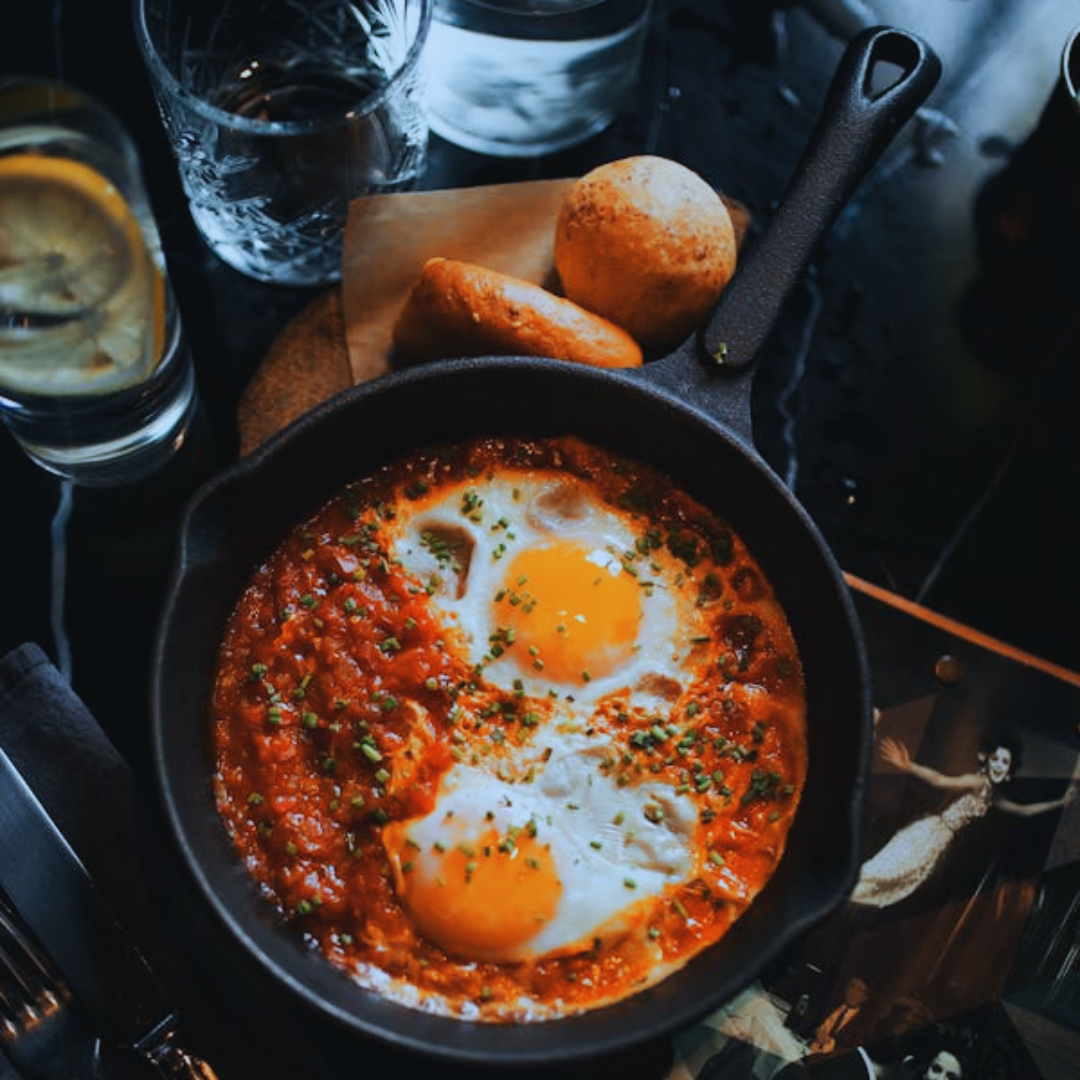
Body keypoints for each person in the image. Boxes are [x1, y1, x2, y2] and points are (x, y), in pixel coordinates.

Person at [850, 727, 1075, 909]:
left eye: (1004, 762)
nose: (998, 765)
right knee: (884, 873)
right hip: (928, 834)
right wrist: (910, 766)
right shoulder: (977, 782)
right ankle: (840, 887)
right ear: (986, 760)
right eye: (996, 759)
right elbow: (941, 780)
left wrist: (1060, 802)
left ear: (1009, 771)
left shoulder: (992, 796)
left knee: (896, 883)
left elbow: (1023, 810)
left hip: (939, 842)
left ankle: (843, 892)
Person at [808, 975, 872, 1056]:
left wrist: (829, 1042)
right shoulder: (832, 1004)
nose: (853, 992)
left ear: (864, 998)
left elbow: (853, 1051)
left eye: (859, 990)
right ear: (846, 988)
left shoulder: (863, 1024)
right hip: (807, 1047)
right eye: (852, 986)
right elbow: (811, 1023)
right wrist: (816, 1030)